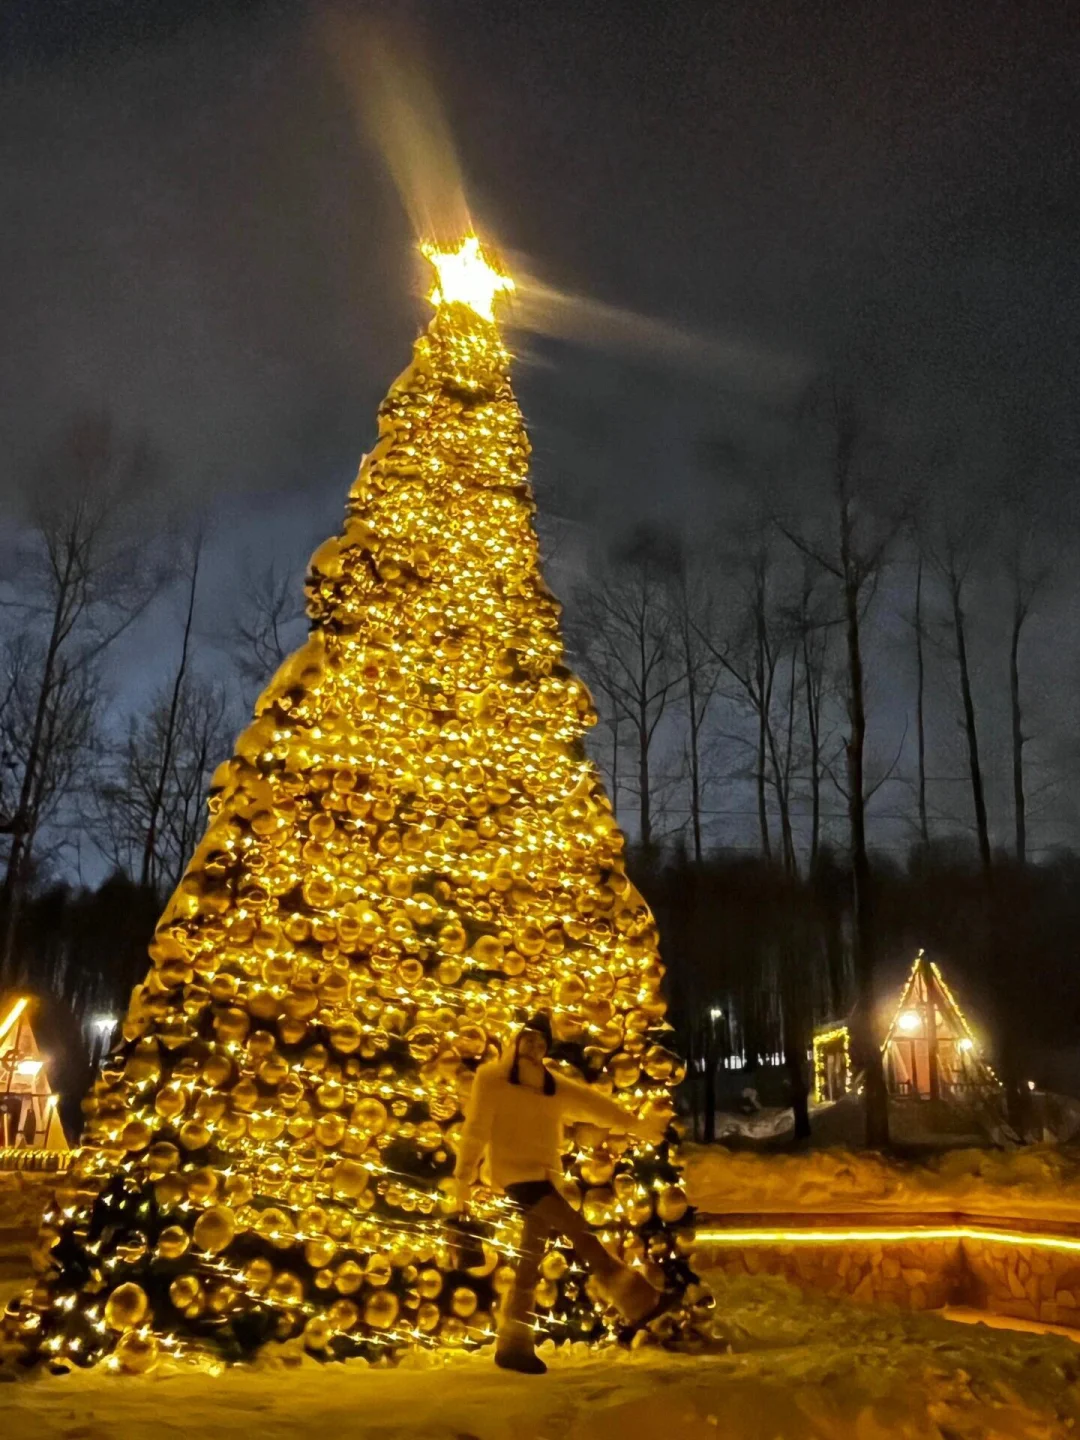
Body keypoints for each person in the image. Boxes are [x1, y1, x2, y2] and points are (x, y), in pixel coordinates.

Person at [454, 1013, 669, 1374]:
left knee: (529, 1261)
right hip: (515, 1176)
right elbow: (475, 1129)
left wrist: (636, 1126)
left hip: (545, 1176)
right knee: (580, 1234)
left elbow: (594, 1105)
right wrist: (463, 1177)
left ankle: (513, 1343)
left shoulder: (552, 1084)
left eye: (541, 1041)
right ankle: (637, 1298)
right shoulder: (492, 1079)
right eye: (529, 1039)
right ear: (516, 1041)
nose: (535, 1046)